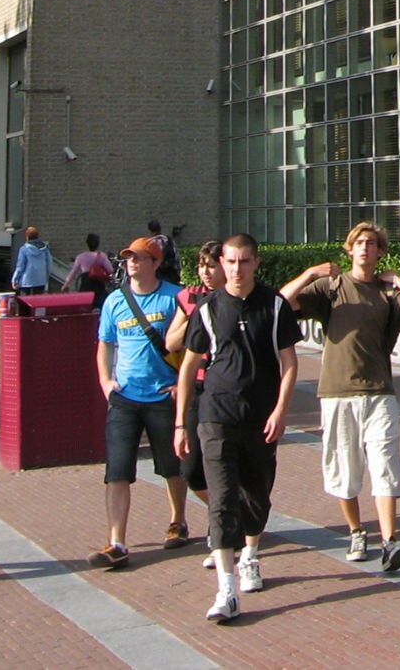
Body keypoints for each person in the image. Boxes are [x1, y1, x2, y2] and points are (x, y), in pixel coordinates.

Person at [281, 220, 400, 572]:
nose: (364, 247)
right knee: (344, 468)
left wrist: (399, 280)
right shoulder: (331, 288)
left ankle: (390, 542)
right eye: (358, 242)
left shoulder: (386, 295)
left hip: (379, 392)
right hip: (337, 392)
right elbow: (282, 302)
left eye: (372, 243)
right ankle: (356, 530)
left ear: (380, 251)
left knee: (385, 465)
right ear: (349, 249)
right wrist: (310, 272)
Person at [174, 232, 301, 623]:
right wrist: (181, 423)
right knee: (223, 497)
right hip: (216, 414)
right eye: (230, 261)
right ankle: (226, 591)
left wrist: (281, 408)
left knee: (256, 495)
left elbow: (290, 362)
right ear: (222, 264)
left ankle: (251, 554)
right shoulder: (209, 307)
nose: (236, 268)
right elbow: (188, 366)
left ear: (256, 264)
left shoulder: (275, 305)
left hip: (260, 416)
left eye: (244, 261)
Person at [88, 236, 189, 569]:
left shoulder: (175, 297)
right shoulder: (115, 301)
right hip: (125, 398)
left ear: (155, 263)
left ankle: (178, 520)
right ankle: (117, 541)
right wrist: (106, 382)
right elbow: (105, 344)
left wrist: (181, 385)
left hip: (163, 394)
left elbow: (193, 345)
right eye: (128, 257)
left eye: (139, 257)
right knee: (116, 471)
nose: (131, 262)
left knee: (171, 466)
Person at [165, 239, 226, 563]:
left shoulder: (233, 299)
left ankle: (223, 525)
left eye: (211, 265)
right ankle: (227, 510)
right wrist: (197, 317)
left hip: (223, 390)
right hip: (194, 388)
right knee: (190, 468)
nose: (205, 272)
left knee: (222, 462)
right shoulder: (188, 297)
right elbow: (171, 340)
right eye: (202, 265)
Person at [61, 232, 114, 302]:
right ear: (98, 244)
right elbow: (110, 270)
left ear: (87, 243)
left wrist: (65, 285)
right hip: (98, 284)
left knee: (85, 304)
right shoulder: (102, 256)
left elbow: (73, 273)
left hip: (85, 283)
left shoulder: (80, 257)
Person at [11, 225, 51, 293]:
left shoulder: (24, 249)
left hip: (26, 280)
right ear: (38, 236)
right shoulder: (45, 249)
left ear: (27, 237)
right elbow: (49, 264)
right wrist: (46, 277)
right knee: (38, 302)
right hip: (40, 280)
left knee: (25, 302)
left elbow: (20, 267)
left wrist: (14, 279)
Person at [148, 217, 181, 284]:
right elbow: (177, 256)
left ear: (150, 231)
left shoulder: (149, 243)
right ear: (160, 229)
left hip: (157, 274)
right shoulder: (169, 240)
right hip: (171, 272)